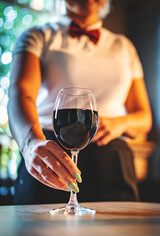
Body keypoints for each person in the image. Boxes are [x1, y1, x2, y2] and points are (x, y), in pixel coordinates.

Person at [8, 0, 152, 204]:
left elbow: (144, 117)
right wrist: (31, 143)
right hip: (51, 154)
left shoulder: (124, 47)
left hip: (113, 162)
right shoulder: (38, 35)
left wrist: (120, 123)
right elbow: (20, 93)